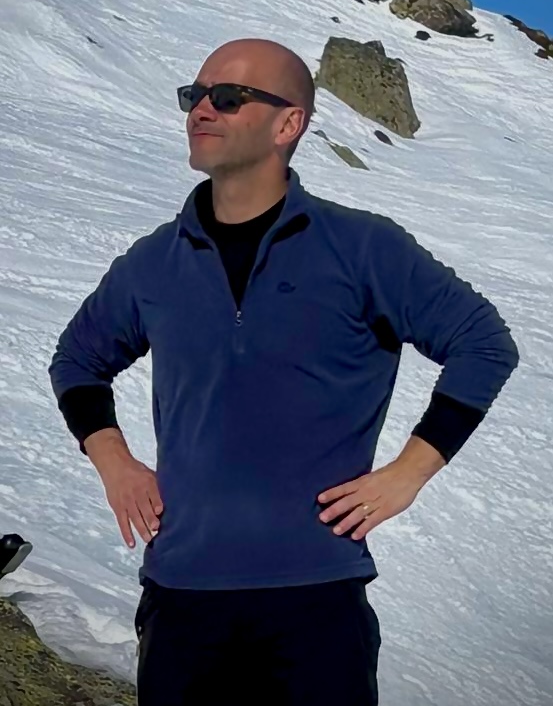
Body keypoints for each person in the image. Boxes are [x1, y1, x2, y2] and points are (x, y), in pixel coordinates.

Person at [48, 38, 519, 705]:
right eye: (194, 96)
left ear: (288, 123)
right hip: (182, 597)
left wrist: (409, 472)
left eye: (227, 97)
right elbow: (78, 359)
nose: (201, 110)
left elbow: (483, 343)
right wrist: (113, 462)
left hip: (316, 601)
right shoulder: (154, 261)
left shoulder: (362, 248)